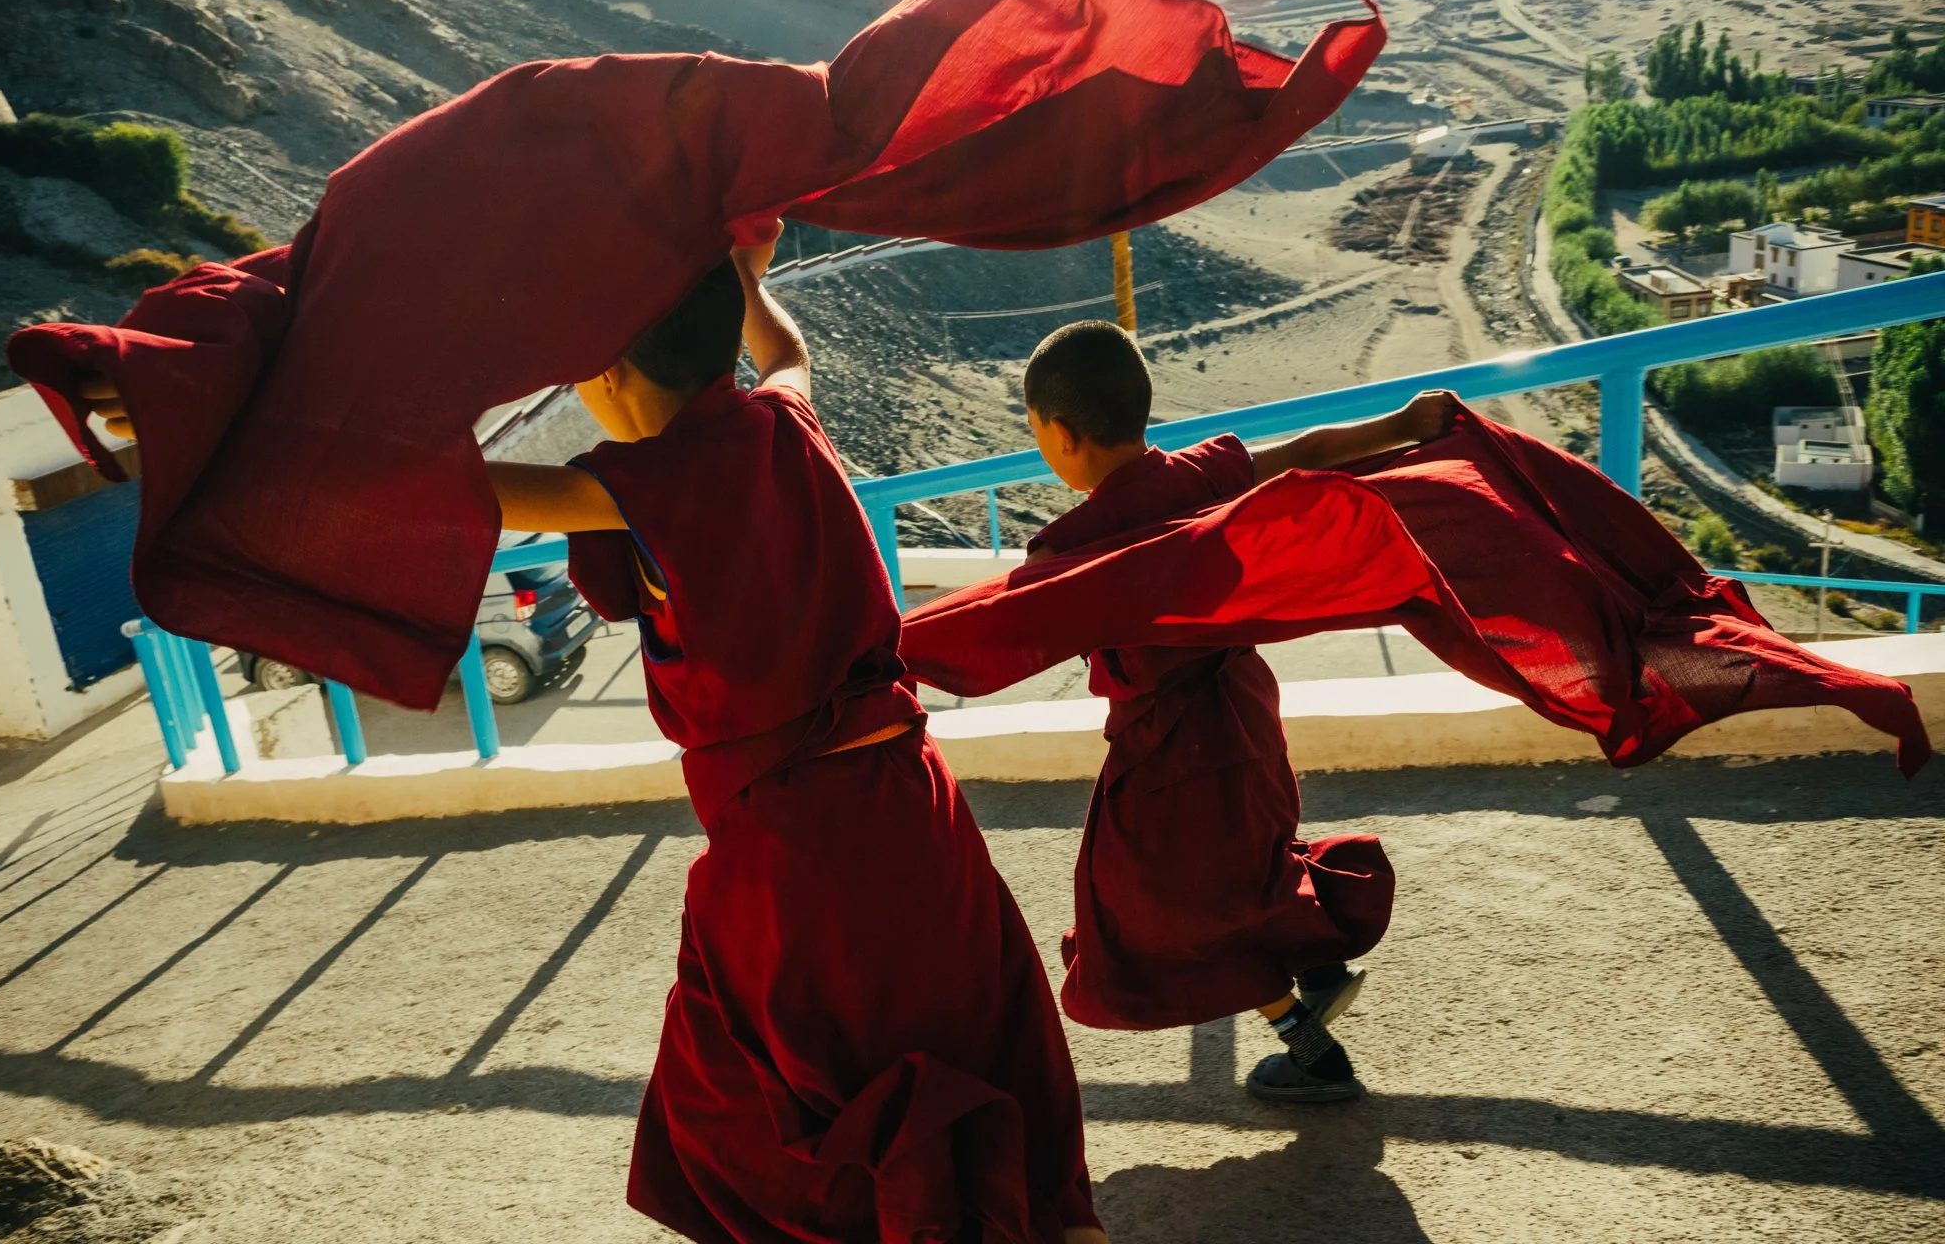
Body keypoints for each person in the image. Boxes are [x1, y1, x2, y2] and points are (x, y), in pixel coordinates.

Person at [84, 227, 1109, 1243]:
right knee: (973, 1033)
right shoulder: (786, 424)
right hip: (916, 811)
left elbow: (430, 485)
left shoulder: (629, 497)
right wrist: (745, 273)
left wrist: (248, 403)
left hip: (799, 860)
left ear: (610, 372)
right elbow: (789, 356)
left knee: (775, 1103)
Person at [1009, 319, 1463, 1103]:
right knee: (1249, 858)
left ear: (1060, 434)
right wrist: (1403, 425)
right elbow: (1311, 453)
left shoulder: (1062, 552)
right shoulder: (1202, 474)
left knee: (1166, 906)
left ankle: (1311, 1050)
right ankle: (1318, 969)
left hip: (1162, 753)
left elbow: (1005, 634)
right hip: (1246, 714)